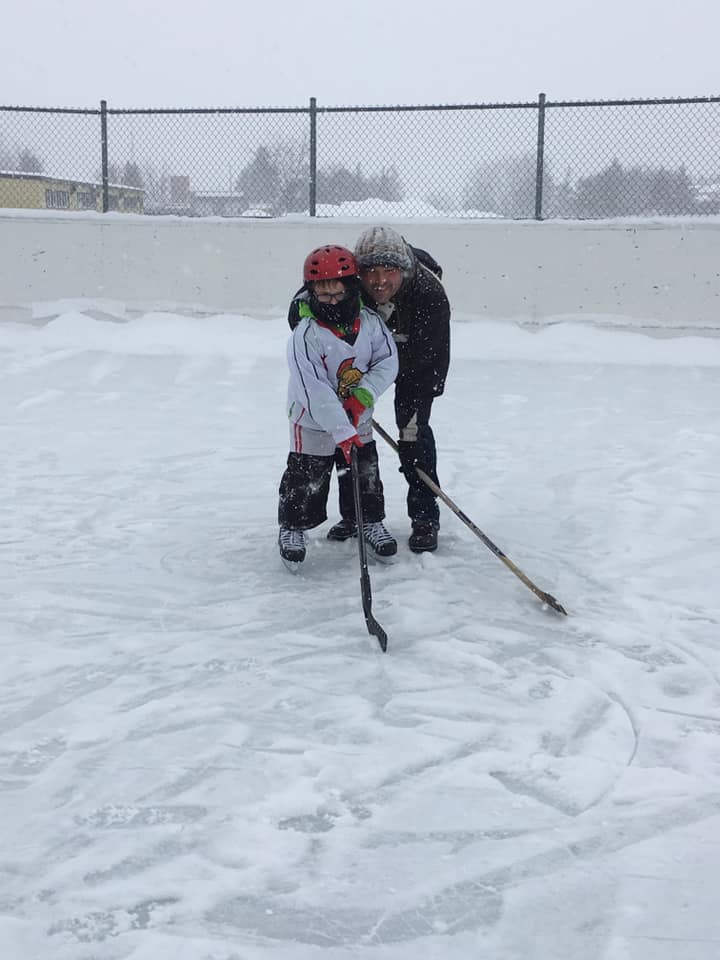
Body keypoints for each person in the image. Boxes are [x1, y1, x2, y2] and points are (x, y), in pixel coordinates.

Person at [278, 244, 399, 567]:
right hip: (313, 420)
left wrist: (363, 397)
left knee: (364, 471)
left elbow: (388, 363)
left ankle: (368, 520)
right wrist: (340, 429)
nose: (331, 302)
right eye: (323, 295)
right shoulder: (306, 335)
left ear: (351, 290)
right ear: (311, 293)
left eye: (338, 294)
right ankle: (293, 525)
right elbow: (312, 389)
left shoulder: (371, 324)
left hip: (358, 414)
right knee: (307, 475)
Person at [346, 225, 451, 553]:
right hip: (361, 364)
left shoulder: (429, 295)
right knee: (348, 436)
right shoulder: (350, 286)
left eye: (389, 271)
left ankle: (424, 516)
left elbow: (430, 360)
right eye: (371, 272)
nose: (379, 281)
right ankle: (355, 514)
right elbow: (309, 302)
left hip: (416, 367)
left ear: (403, 270)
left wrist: (407, 397)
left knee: (412, 436)